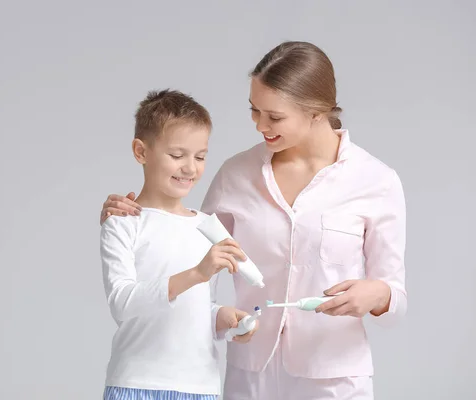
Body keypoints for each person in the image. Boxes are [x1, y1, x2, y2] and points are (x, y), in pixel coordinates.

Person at [99, 41, 407, 400]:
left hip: (334, 376)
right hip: (249, 377)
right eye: (254, 110)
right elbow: (181, 251)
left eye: (274, 116)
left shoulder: (376, 181)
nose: (260, 125)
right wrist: (125, 216)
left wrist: (378, 294)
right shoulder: (236, 174)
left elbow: (395, 296)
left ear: (316, 111)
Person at [100, 89, 259, 400]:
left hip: (200, 388)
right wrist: (197, 273)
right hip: (138, 384)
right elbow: (122, 302)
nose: (190, 168)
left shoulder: (206, 226)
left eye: (200, 157)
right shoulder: (123, 220)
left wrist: (222, 318)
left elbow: (195, 307)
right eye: (177, 155)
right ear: (141, 152)